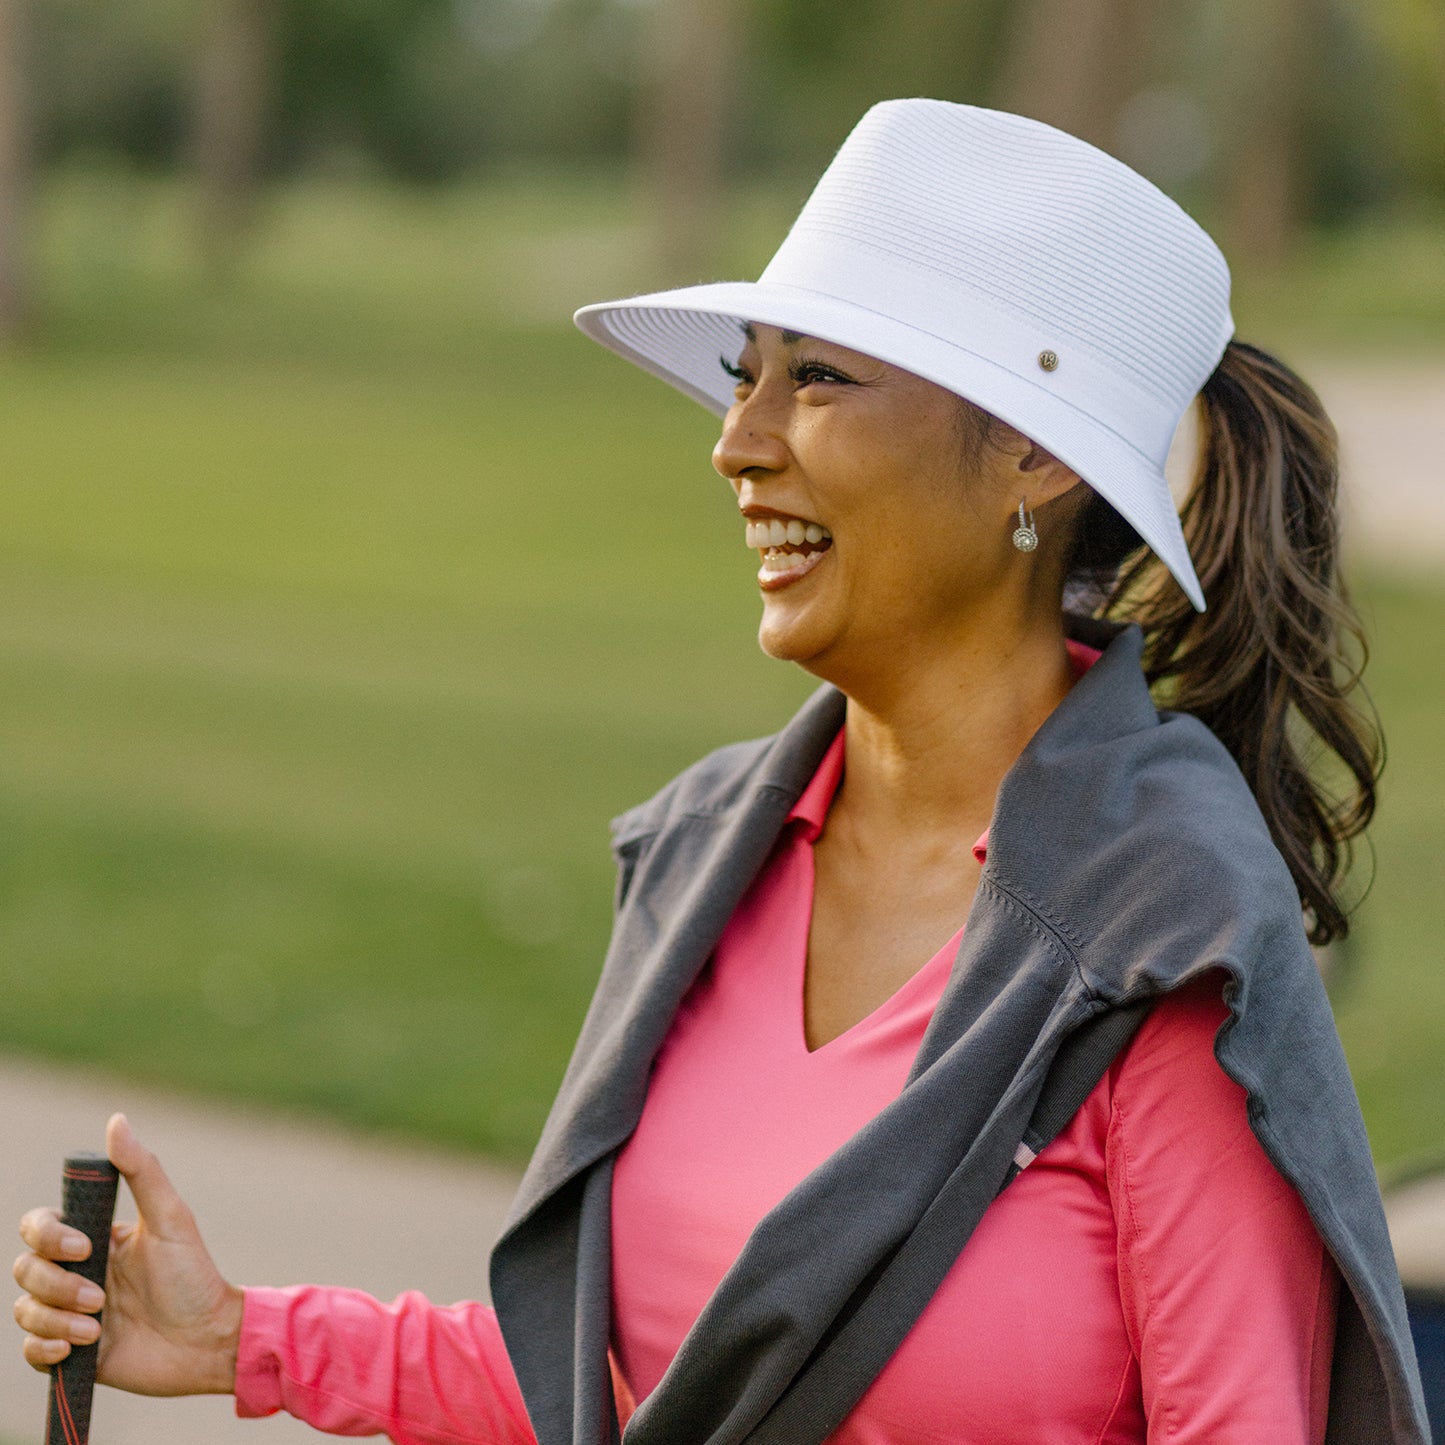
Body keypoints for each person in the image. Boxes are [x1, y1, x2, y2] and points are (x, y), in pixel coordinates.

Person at [13, 100, 1432, 1444]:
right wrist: (235, 1338)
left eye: (814, 378)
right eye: (744, 375)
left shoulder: (1161, 936)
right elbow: (639, 1385)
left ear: (1028, 454)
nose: (735, 445)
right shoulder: (709, 855)